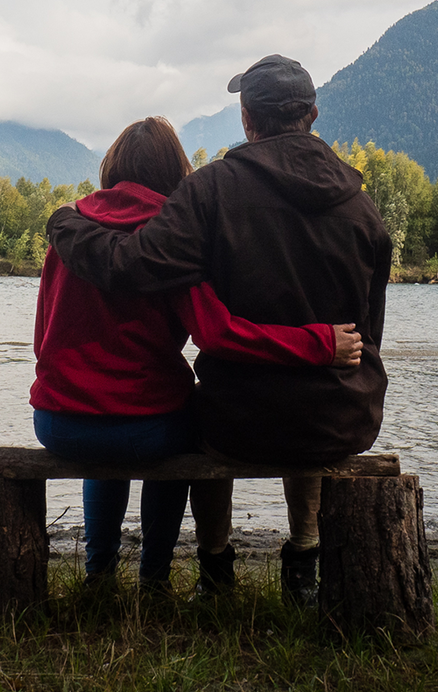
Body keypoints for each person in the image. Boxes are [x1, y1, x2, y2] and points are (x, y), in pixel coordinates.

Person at [46, 57, 392, 602]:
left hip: (238, 420)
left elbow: (133, 263)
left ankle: (213, 567)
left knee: (211, 407)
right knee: (303, 405)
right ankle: (302, 557)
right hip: (341, 417)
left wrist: (65, 223)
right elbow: (370, 328)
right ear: (313, 115)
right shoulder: (362, 206)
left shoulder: (211, 192)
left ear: (247, 118)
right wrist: (328, 349)